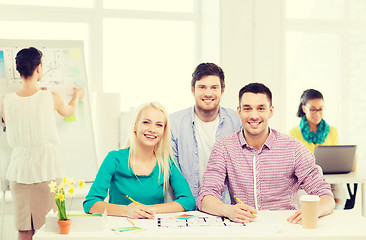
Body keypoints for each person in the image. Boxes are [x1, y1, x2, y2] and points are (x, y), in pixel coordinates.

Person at [197, 83, 335, 224]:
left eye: (261, 108)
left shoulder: (293, 148)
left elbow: (326, 197)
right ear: (239, 112)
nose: (254, 115)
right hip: (243, 228)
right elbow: (205, 197)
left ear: (271, 111)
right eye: (247, 108)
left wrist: (313, 211)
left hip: (285, 228)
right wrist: (228, 210)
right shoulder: (224, 147)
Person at [0, 47, 84, 240]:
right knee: (49, 231)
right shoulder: (51, 97)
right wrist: (77, 95)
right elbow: (69, 111)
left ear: (19, 70)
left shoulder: (6, 101)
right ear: (39, 69)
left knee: (24, 231)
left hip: (19, 173)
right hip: (47, 171)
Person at [83, 102, 195, 218]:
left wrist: (146, 210)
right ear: (135, 125)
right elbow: (91, 204)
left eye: (159, 125)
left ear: (164, 131)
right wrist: (128, 211)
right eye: (146, 122)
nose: (152, 129)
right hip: (119, 231)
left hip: (152, 229)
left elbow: (188, 201)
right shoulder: (114, 159)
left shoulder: (167, 162)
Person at [170, 63, 241, 201]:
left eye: (214, 87)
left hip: (226, 206)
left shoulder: (237, 121)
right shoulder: (174, 123)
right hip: (186, 206)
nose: (208, 93)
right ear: (192, 90)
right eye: (202, 87)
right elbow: (172, 172)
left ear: (222, 90)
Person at [289, 89, 347, 209]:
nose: (317, 114)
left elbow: (337, 158)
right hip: (305, 181)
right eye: (313, 109)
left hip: (331, 180)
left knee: (339, 195)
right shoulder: (293, 133)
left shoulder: (332, 131)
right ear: (304, 109)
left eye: (320, 109)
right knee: (308, 203)